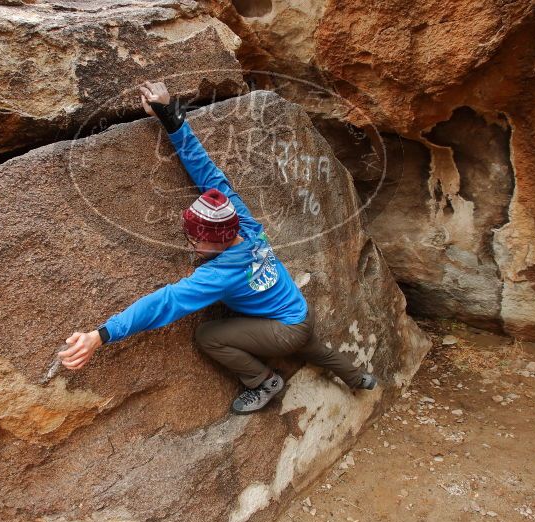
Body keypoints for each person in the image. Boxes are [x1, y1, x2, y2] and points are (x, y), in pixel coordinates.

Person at [58, 81, 377, 414]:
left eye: (196, 239)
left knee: (209, 335)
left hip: (285, 328)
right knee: (315, 349)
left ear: (217, 239)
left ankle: (264, 381)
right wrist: (170, 116)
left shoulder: (223, 273)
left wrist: (102, 334)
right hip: (296, 309)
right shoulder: (243, 221)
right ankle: (360, 380)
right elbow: (208, 173)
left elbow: (165, 302)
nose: (191, 244)